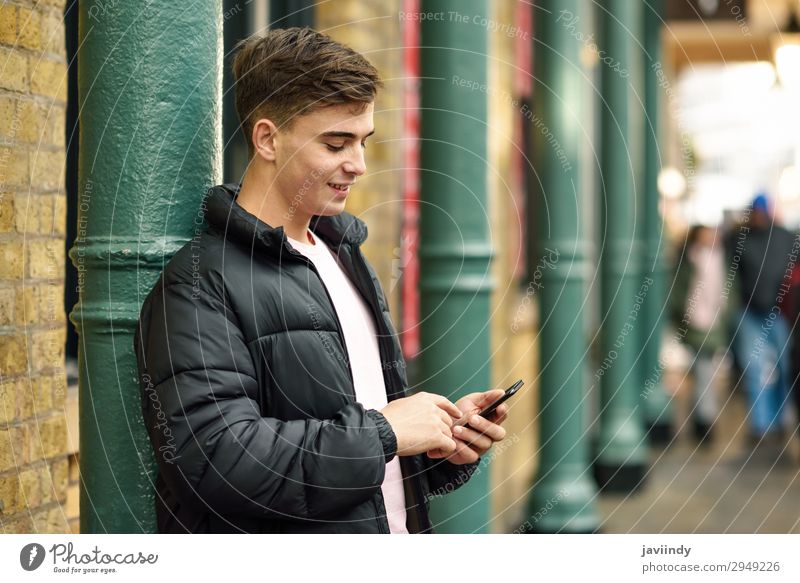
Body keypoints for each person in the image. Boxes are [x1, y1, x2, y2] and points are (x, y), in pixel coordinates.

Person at [133, 27, 509, 534]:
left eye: (362, 141)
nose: (357, 164)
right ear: (268, 138)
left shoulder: (346, 257)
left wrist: (441, 444)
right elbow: (218, 464)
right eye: (336, 143)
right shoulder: (197, 285)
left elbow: (367, 454)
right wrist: (385, 433)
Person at [726, 194, 796, 443]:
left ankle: (779, 420)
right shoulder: (740, 239)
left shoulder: (786, 237)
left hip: (780, 313)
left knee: (784, 367)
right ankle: (761, 424)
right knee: (754, 369)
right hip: (749, 311)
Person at [670, 225, 729, 445]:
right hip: (694, 323)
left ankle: (703, 420)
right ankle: (704, 420)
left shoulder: (721, 260)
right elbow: (677, 290)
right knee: (703, 370)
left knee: (703, 370)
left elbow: (728, 293)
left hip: (713, 323)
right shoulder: (688, 260)